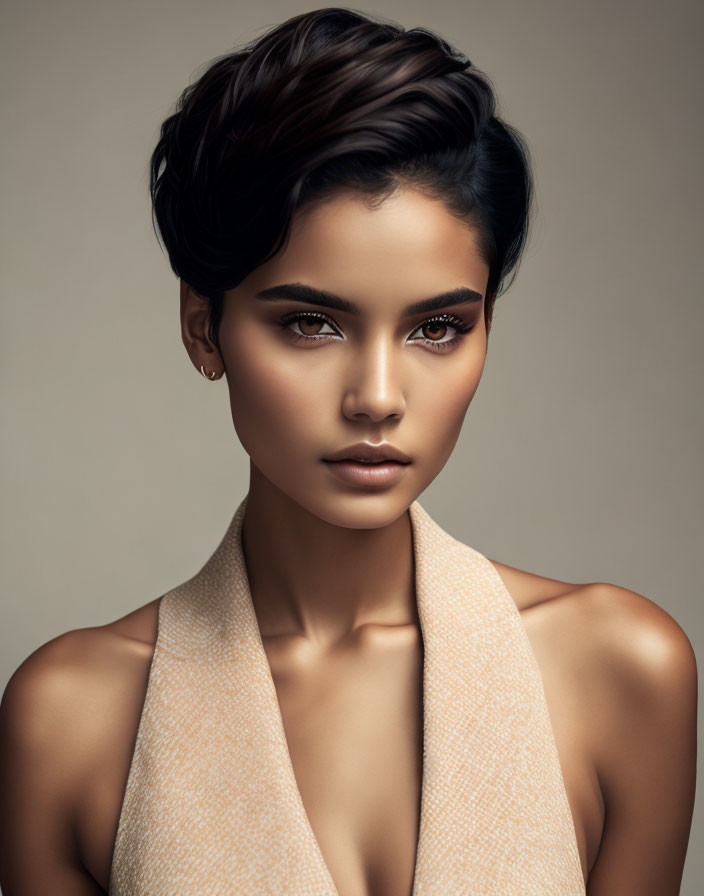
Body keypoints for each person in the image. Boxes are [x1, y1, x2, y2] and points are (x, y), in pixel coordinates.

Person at [0, 7, 697, 895]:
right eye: (311, 323)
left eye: (438, 327)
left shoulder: (622, 672)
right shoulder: (73, 720)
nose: (377, 396)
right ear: (201, 328)